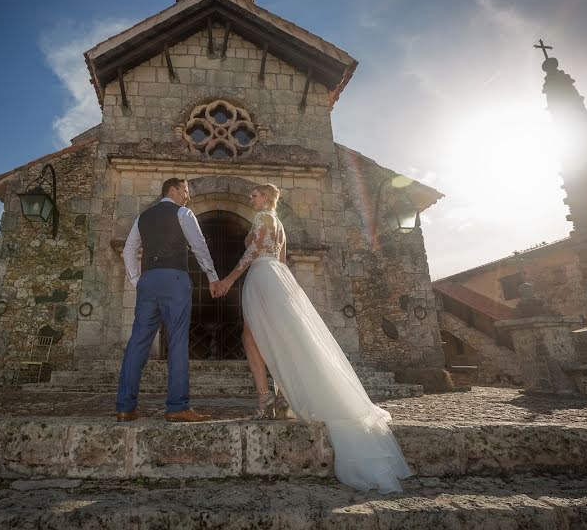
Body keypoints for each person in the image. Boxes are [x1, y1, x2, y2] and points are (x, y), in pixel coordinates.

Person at [215, 183, 412, 492]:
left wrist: (228, 280)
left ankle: (266, 397)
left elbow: (254, 251)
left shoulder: (263, 218)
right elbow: (280, 256)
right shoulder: (279, 224)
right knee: (272, 334)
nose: (250, 197)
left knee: (251, 336)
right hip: (277, 277)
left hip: (262, 276)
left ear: (266, 197)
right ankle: (275, 397)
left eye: (254, 194)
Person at [117, 178, 221, 423]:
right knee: (177, 339)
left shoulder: (143, 217)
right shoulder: (183, 213)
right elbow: (199, 245)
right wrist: (212, 276)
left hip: (148, 281)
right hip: (174, 279)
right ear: (172, 190)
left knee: (138, 341)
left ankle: (125, 407)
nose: (187, 196)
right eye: (185, 190)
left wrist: (136, 280)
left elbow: (128, 251)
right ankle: (177, 407)